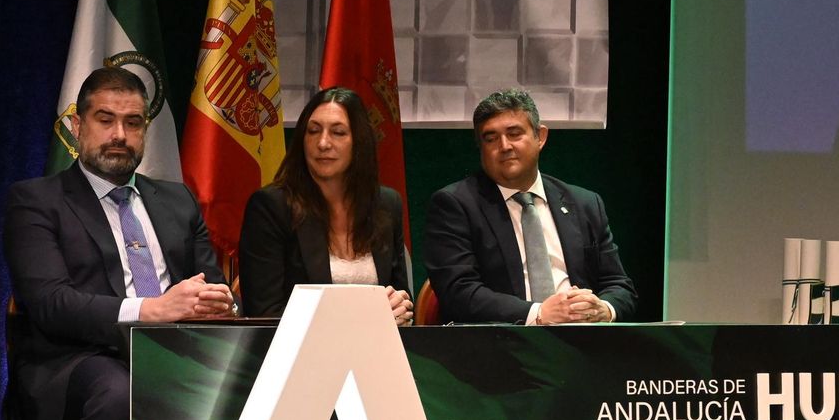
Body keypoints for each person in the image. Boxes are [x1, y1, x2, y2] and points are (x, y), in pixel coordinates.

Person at [3, 66, 234, 420]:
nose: (119, 135)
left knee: (246, 383)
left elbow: (210, 284)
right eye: (105, 120)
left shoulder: (176, 201)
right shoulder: (36, 200)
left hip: (171, 359)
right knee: (116, 391)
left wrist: (214, 301)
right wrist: (150, 310)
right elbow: (50, 303)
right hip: (74, 364)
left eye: (132, 123)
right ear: (77, 126)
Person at [424, 88, 636, 324]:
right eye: (491, 138)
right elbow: (458, 292)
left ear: (540, 137)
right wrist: (538, 313)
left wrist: (603, 309)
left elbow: (619, 285)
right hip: (502, 340)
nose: (504, 146)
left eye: (514, 134)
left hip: (583, 338)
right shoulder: (455, 204)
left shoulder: (584, 203)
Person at [238, 86, 413, 322]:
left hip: (377, 343)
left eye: (338, 133)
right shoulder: (271, 207)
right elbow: (264, 313)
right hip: (298, 345)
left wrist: (400, 308)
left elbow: (402, 296)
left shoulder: (386, 204)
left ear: (359, 142)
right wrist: (363, 318)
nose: (323, 143)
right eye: (313, 131)